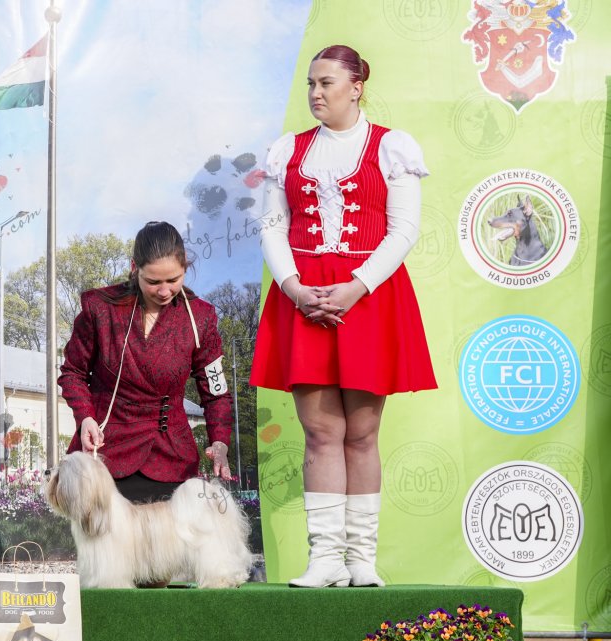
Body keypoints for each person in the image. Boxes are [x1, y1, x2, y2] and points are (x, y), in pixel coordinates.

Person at [250, 45, 437, 588]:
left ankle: (360, 560)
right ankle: (325, 557)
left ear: (356, 87)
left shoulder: (392, 147)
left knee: (362, 431)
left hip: (368, 295)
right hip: (304, 296)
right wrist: (294, 288)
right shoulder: (288, 150)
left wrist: (356, 287)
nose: (315, 92)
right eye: (311, 83)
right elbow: (272, 227)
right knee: (320, 431)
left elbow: (403, 229)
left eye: (326, 83)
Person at [58, 221, 234, 505]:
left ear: (185, 268)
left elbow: (216, 393)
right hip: (106, 455)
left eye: (173, 280)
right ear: (134, 268)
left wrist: (220, 440)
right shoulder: (100, 309)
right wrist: (86, 418)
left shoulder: (200, 319)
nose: (164, 291)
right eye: (153, 282)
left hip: (171, 459)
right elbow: (73, 373)